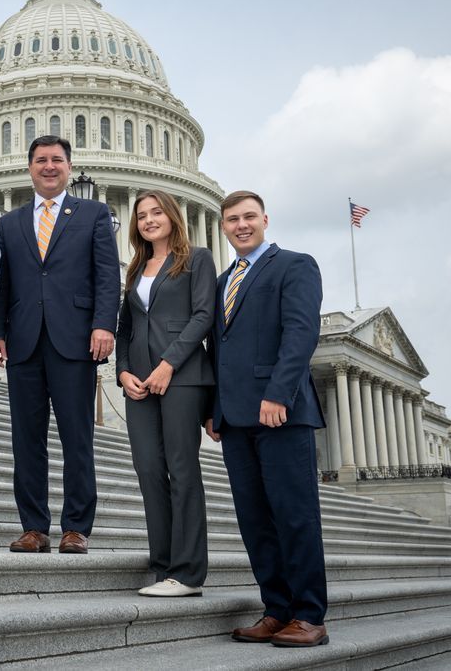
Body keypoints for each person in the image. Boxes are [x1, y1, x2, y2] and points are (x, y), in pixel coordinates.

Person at [0, 135, 120, 554]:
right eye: (41, 160)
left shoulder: (94, 214)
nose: (49, 166)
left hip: (75, 339)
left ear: (68, 166)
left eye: (57, 160)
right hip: (23, 341)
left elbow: (106, 275)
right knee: (26, 438)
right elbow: (1, 283)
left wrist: (104, 325)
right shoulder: (9, 223)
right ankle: (34, 527)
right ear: (30, 167)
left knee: (77, 436)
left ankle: (76, 527)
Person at [206, 190, 329, 647]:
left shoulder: (296, 265)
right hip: (236, 419)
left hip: (281, 413)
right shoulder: (222, 281)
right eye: (233, 219)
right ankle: (276, 610)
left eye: (249, 217)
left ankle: (310, 615)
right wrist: (215, 411)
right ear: (223, 226)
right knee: (255, 519)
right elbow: (217, 351)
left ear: (265, 220)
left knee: (294, 515)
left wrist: (279, 393)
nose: (241, 225)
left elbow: (301, 333)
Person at [116, 190, 216, 597]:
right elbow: (126, 327)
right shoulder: (137, 267)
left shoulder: (198, 258)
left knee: (182, 469)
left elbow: (204, 315)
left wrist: (168, 364)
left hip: (182, 376)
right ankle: (163, 567)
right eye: (142, 215)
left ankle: (188, 572)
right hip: (138, 382)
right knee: (149, 470)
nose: (149, 220)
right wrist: (122, 370)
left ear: (174, 216)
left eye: (157, 212)